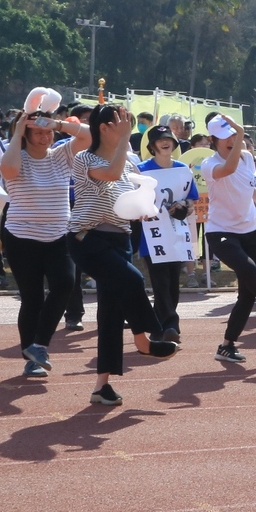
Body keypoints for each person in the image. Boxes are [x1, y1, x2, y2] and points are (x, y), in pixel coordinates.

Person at [70, 103, 178, 404]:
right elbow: (111, 174)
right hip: (85, 236)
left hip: (119, 239)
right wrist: (127, 140)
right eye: (123, 123)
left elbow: (131, 196)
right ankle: (149, 338)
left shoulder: (129, 162)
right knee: (132, 279)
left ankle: (101, 385)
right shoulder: (84, 158)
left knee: (111, 313)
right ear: (104, 128)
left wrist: (141, 211)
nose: (128, 127)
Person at [0, 104, 86, 377]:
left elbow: (90, 136)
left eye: (46, 131)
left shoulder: (62, 154)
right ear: (25, 133)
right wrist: (18, 131)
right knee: (32, 299)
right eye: (36, 131)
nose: (43, 136)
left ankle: (39, 344)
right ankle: (31, 356)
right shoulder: (16, 156)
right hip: (21, 238)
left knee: (65, 284)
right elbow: (9, 171)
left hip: (60, 235)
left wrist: (58, 124)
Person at [202, 117, 256, 363]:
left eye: (235, 135)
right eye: (227, 136)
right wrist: (241, 133)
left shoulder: (246, 158)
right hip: (220, 231)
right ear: (213, 140)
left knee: (246, 294)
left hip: (251, 232)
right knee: (247, 269)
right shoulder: (209, 163)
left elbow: (250, 186)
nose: (233, 140)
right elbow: (228, 170)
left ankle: (227, 345)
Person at [138, 126, 197, 343]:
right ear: (152, 146)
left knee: (172, 282)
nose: (165, 142)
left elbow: (191, 200)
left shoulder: (183, 169)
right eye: (159, 140)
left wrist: (183, 205)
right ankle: (171, 323)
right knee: (159, 279)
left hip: (177, 232)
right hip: (151, 233)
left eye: (169, 139)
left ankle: (157, 326)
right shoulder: (140, 170)